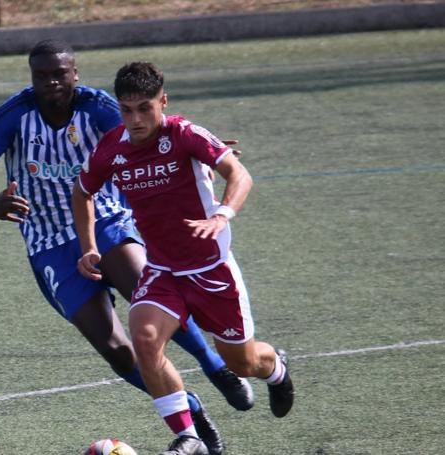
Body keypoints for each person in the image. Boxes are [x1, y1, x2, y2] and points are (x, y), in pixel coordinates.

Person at [0, 40, 253, 454]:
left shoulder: (98, 107)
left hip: (107, 220)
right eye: (42, 75)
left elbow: (154, 123)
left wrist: (206, 152)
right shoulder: (15, 115)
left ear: (75, 73)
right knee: (115, 350)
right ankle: (190, 410)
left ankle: (216, 367)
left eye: (60, 73)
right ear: (32, 77)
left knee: (145, 294)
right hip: (49, 241)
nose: (52, 82)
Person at [73, 62, 295, 455]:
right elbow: (83, 191)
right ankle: (189, 436)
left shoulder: (185, 134)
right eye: (127, 110)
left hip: (213, 272)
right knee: (144, 338)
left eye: (145, 107)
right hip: (163, 271)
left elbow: (238, 174)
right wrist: (89, 245)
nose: (136, 119)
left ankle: (275, 367)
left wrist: (221, 215)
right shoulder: (112, 147)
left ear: (163, 101)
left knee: (243, 363)